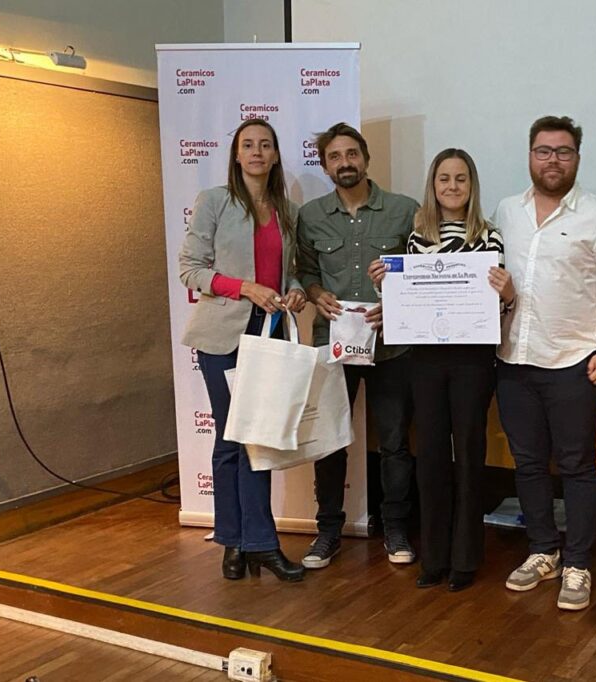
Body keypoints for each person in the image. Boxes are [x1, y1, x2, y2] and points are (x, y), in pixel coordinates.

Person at [494, 116, 596, 611]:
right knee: (528, 463)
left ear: (577, 157)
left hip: (574, 362)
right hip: (513, 359)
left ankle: (577, 562)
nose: (552, 160)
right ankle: (542, 551)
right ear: (530, 155)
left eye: (563, 151)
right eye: (543, 151)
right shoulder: (505, 212)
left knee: (577, 465)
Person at [369, 149, 513, 592]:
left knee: (468, 454)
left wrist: (506, 293)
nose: (452, 186)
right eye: (444, 179)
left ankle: (465, 559)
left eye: (461, 178)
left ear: (472, 185)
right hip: (426, 361)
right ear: (433, 186)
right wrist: (386, 287)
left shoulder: (489, 237)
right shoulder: (417, 240)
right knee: (430, 456)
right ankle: (433, 557)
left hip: (473, 360)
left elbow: (496, 306)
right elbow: (412, 302)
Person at [178, 118, 306, 582]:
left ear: (275, 155)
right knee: (231, 439)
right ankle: (235, 542)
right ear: (236, 154)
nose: (256, 152)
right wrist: (245, 288)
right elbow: (190, 269)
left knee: (260, 439)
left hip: (269, 333)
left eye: (265, 145)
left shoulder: (287, 210)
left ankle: (258, 543)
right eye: (248, 145)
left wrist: (295, 290)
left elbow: (291, 270)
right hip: (222, 336)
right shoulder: (214, 201)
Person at [296, 122, 419, 568]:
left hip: (391, 346)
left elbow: (422, 272)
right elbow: (306, 271)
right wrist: (315, 294)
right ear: (325, 165)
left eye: (352, 154)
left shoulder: (404, 210)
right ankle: (327, 531)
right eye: (335, 156)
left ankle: (396, 528)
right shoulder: (310, 215)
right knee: (329, 440)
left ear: (365, 158)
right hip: (333, 344)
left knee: (395, 443)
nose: (344, 162)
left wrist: (397, 304)